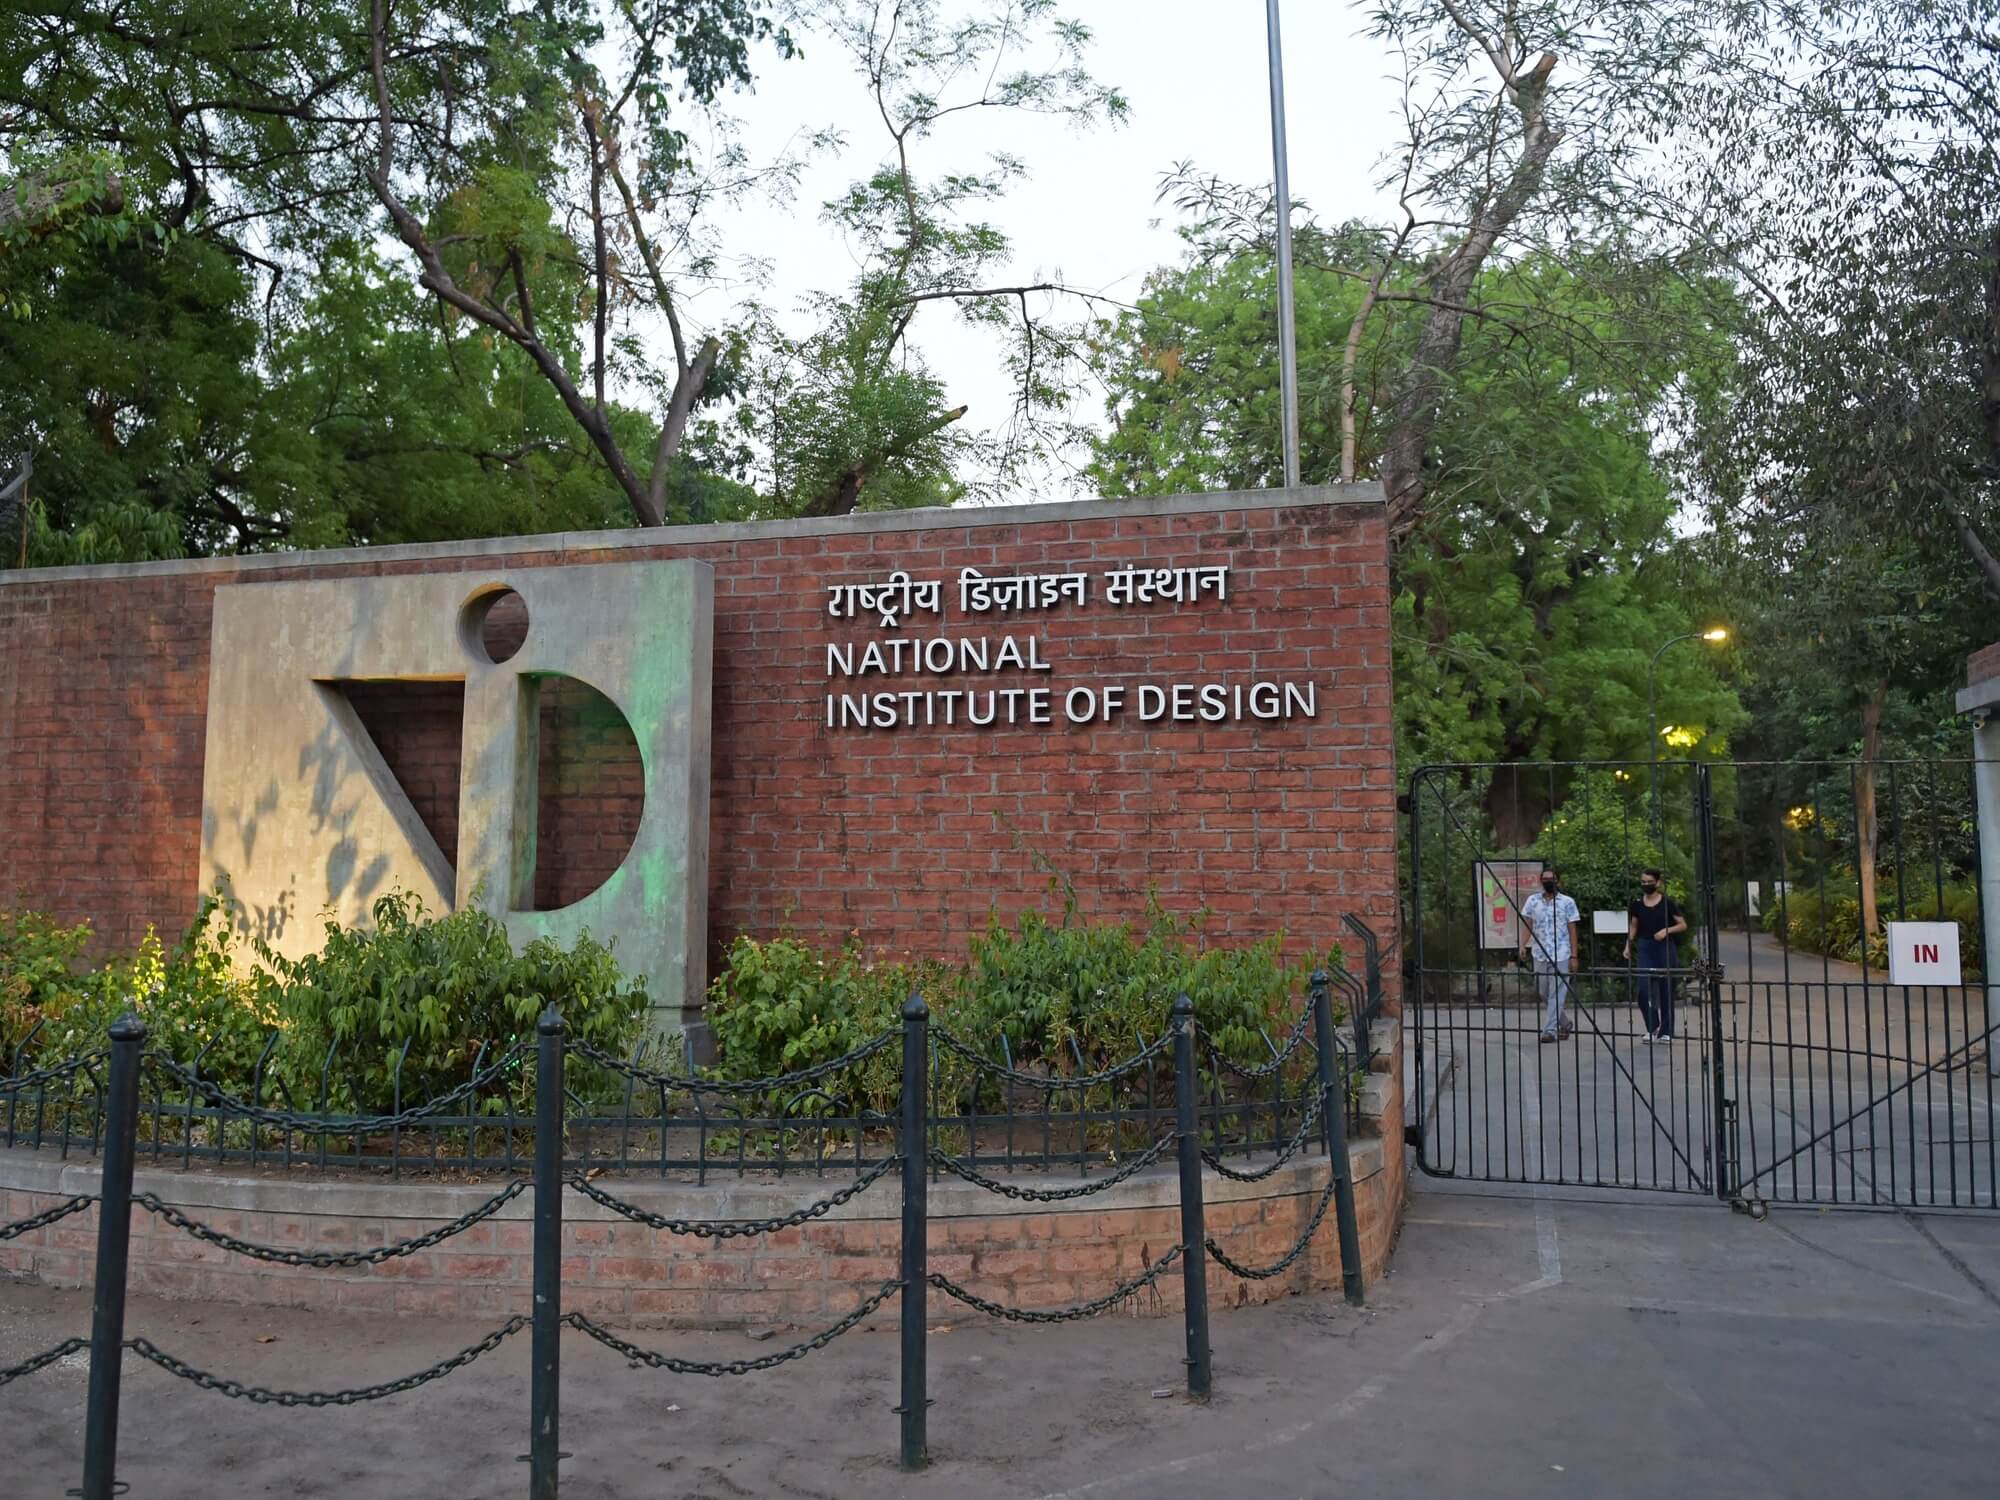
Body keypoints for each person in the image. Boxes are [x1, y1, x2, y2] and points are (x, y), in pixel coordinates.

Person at [1623, 867, 1688, 1042]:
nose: (1646, 885)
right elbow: (1634, 925)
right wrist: (1628, 945)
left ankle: (1666, 1030)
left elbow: (1682, 924)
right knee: (1643, 990)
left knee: (1666, 988)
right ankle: (1653, 1026)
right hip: (1645, 946)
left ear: (1658, 883)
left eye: (1649, 882)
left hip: (1664, 946)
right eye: (1643, 882)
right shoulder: (1637, 903)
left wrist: (1666, 930)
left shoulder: (1668, 903)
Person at [1518, 865, 1580, 1043]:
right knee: (1543, 991)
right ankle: (1565, 1022)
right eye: (1544, 880)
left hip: (1561, 953)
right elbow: (1528, 924)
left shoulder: (1567, 902)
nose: (1547, 883)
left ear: (1557, 881)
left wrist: (1574, 956)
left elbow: (1572, 929)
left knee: (1557, 992)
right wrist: (1523, 945)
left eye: (1551, 880)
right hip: (1539, 953)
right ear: (1540, 881)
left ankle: (1550, 1030)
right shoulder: (1532, 901)